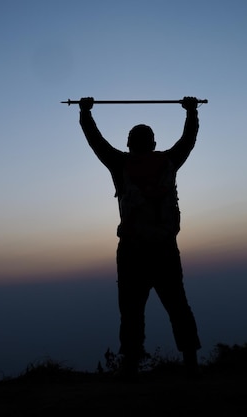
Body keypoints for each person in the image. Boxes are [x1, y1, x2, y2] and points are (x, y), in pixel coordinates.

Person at [77, 96, 202, 379]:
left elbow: (96, 142)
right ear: (154, 144)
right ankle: (191, 364)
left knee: (132, 311)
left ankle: (131, 366)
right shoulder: (169, 161)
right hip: (165, 249)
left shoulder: (120, 164)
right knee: (177, 305)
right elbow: (188, 140)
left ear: (129, 144)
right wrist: (192, 111)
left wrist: (85, 113)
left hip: (133, 251)